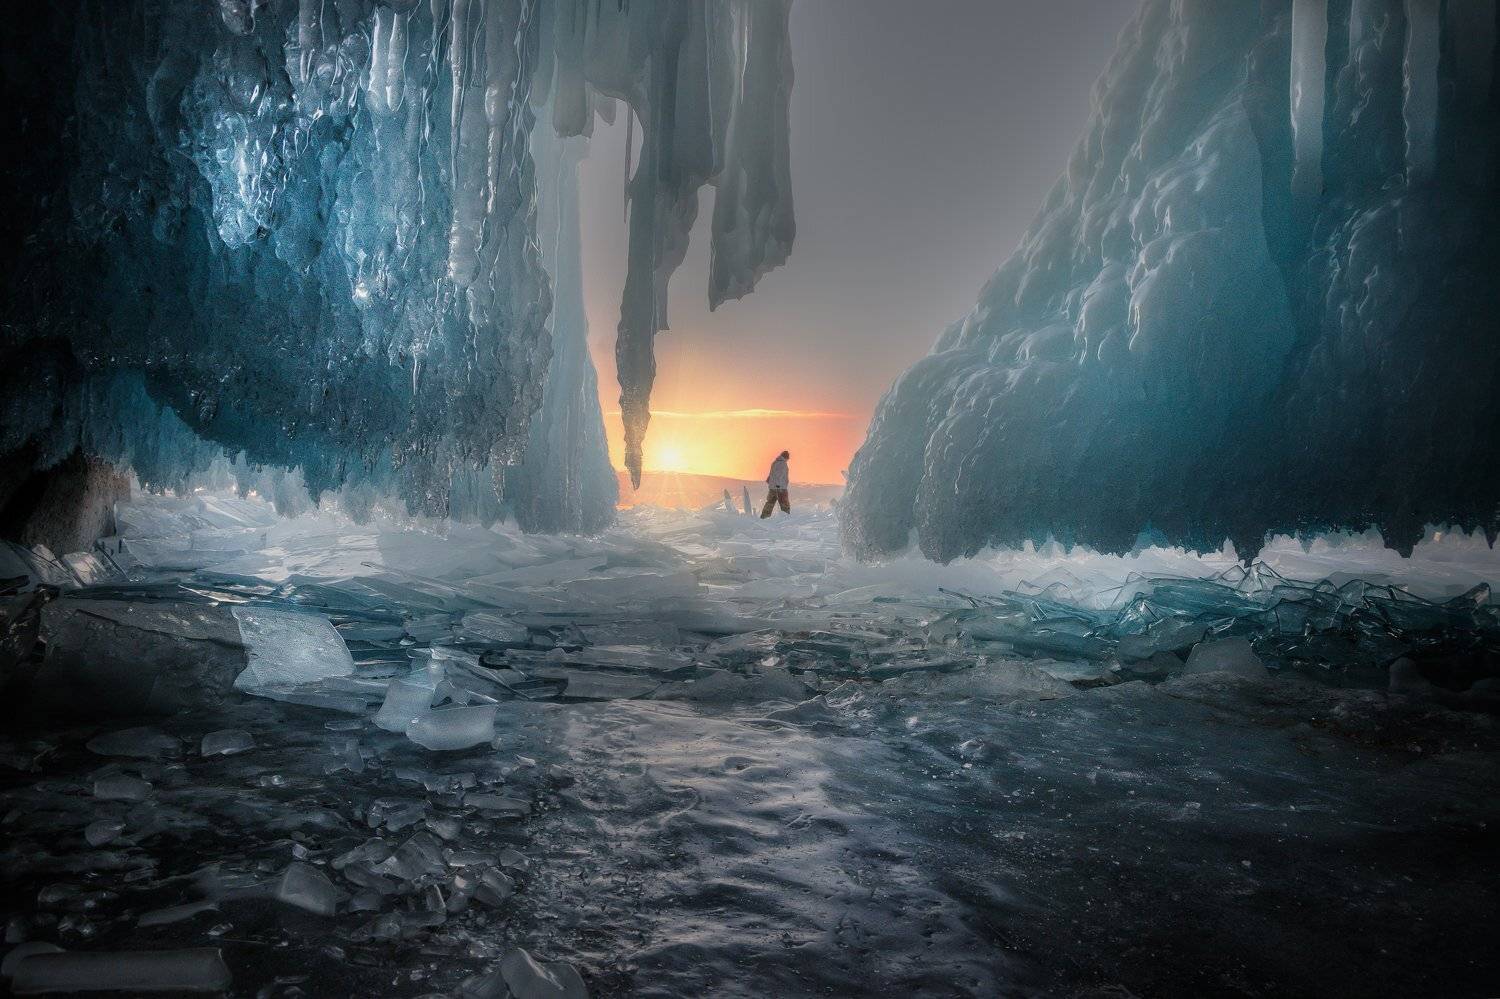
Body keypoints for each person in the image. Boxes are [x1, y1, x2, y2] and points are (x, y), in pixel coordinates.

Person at [761, 450, 791, 518]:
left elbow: (771, 474)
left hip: (772, 487)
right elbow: (779, 476)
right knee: (784, 504)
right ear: (786, 457)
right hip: (780, 487)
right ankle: (786, 519)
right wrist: (778, 486)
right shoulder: (782, 464)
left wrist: (771, 483)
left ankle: (764, 517)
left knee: (770, 503)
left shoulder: (774, 462)